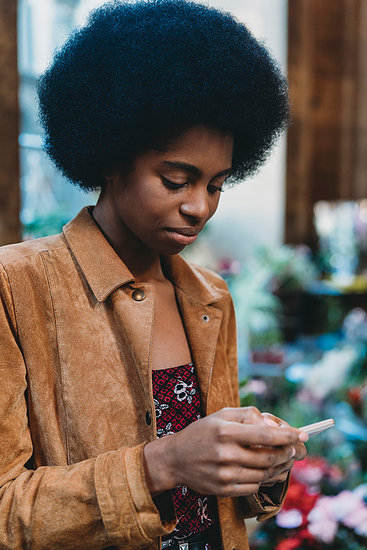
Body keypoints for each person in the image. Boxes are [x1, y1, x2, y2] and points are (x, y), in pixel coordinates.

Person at [0, 1, 308, 549]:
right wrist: (159, 464)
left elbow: (217, 499)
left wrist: (256, 461)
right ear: (111, 155)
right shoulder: (16, 287)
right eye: (175, 179)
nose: (199, 207)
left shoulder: (208, 296)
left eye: (216, 184)